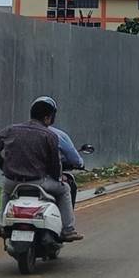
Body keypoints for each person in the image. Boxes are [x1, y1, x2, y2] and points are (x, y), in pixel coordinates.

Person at [0, 96, 65, 233]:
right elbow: (55, 163)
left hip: (12, 182)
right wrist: (58, 178)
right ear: (47, 118)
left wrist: (3, 165)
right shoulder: (49, 135)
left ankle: (1, 225)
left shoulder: (10, 130)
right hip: (39, 182)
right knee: (65, 191)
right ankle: (68, 228)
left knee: (6, 193)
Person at [41, 98, 86, 242]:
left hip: (16, 180)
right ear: (50, 117)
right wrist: (59, 175)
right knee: (65, 188)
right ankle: (67, 229)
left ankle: (1, 224)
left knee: (6, 190)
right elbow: (73, 159)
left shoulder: (16, 130)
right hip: (45, 180)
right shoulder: (56, 136)